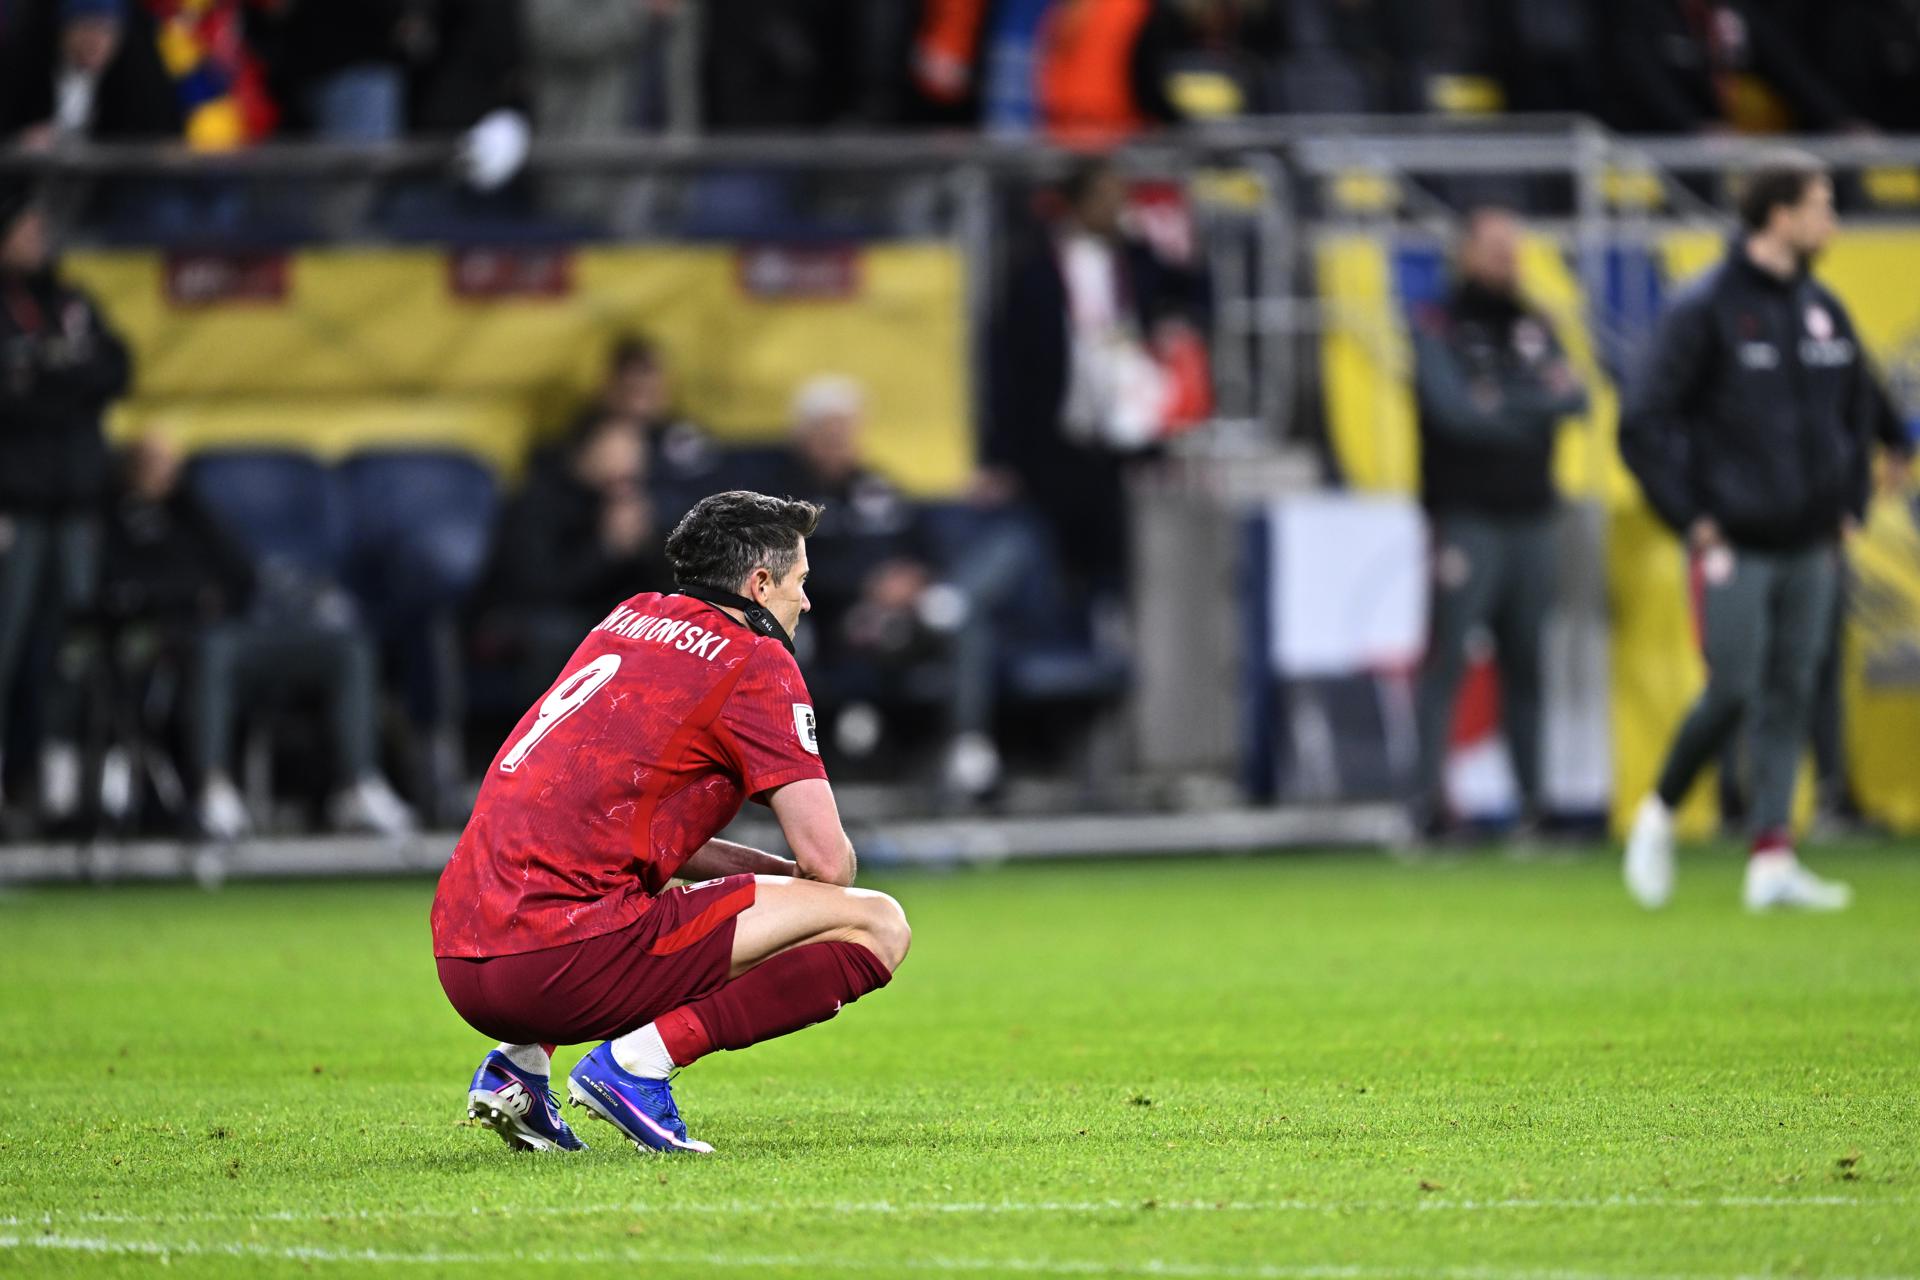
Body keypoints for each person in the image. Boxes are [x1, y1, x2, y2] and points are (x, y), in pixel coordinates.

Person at [433, 490, 911, 1155]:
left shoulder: (628, 619)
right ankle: (636, 1068)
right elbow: (829, 865)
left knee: (618, 878)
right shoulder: (755, 660)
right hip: (554, 966)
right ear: (760, 582)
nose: (806, 603)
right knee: (876, 922)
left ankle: (518, 1068)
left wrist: (778, 888)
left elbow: (617, 822)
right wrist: (804, 893)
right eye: (801, 582)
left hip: (461, 952)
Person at [1619, 151, 1879, 913]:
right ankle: (1660, 810)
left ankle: (1772, 853)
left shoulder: (1821, 306)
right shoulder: (1704, 308)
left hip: (1810, 538)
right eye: (1820, 204)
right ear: (1780, 215)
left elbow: (1861, 413)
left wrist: (1852, 500)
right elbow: (1642, 423)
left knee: (1792, 691)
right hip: (1732, 538)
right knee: (1733, 687)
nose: (1831, 220)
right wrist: (1689, 515)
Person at [98, 433, 416, 840]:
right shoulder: (115, 519)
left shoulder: (190, 511)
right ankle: (213, 789)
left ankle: (360, 784)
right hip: (187, 641)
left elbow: (240, 574)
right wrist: (192, 597)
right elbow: (124, 586)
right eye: (152, 460)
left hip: (245, 629)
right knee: (214, 650)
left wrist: (187, 506)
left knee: (350, 648)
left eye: (168, 462)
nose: (162, 470)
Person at [1410, 207, 1588, 839]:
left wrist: (1503, 401)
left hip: (1533, 516)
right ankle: (1428, 805)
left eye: (1513, 247)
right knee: (1448, 660)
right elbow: (1455, 412)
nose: (1507, 258)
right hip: (1466, 518)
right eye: (1494, 248)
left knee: (1527, 662)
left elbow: (1576, 399)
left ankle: (1533, 806)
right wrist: (1531, 406)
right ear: (1465, 254)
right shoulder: (1440, 322)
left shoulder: (1536, 321)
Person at [773, 374, 1011, 800]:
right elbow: (785, 570)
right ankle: (858, 732)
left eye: (846, 431)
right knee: (864, 632)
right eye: (829, 432)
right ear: (806, 437)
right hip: (836, 622)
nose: (840, 442)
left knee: (964, 621)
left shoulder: (877, 486)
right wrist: (868, 586)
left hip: (908, 615)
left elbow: (927, 549)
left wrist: (914, 579)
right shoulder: (787, 500)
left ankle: (968, 744)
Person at [0, 180, 128, 822]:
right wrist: (64, 381)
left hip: (75, 508)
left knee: (67, 653)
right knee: (7, 649)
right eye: (25, 227)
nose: (37, 239)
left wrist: (44, 378)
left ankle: (55, 783)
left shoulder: (73, 301)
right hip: (15, 511)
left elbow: (118, 367)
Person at [471, 414, 671, 708]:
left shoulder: (630, 502)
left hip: (597, 615)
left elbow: (655, 586)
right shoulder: (539, 498)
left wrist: (646, 544)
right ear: (588, 448)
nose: (632, 459)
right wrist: (606, 550)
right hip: (529, 616)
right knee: (560, 634)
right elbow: (538, 587)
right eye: (620, 447)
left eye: (637, 449)